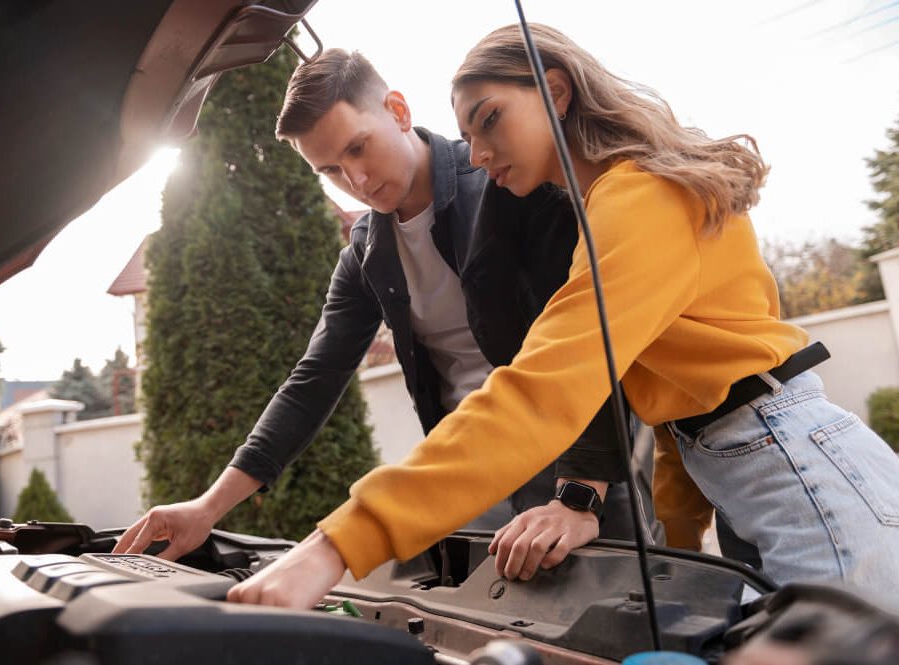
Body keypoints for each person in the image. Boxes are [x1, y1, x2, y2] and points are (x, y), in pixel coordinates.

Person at [226, 23, 899, 608]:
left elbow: (541, 390)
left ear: (556, 90)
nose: (479, 155)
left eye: (490, 120)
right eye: (467, 134)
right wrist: (683, 532)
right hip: (752, 465)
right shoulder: (606, 206)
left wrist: (337, 543)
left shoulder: (638, 200)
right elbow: (678, 398)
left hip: (796, 467)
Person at [113, 48, 660, 567]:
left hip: (580, 458)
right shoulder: (365, 255)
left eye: (357, 147)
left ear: (397, 110)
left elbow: (586, 337)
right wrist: (207, 508)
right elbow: (314, 380)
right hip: (472, 474)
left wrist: (581, 493)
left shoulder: (507, 185)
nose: (356, 180)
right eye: (329, 170)